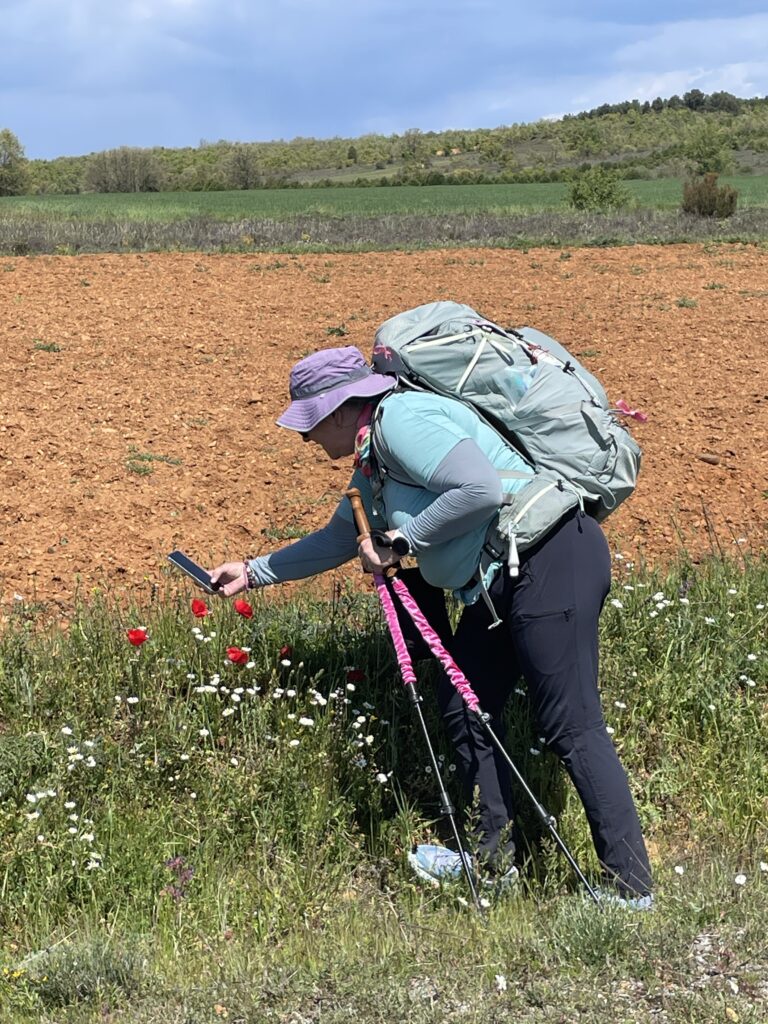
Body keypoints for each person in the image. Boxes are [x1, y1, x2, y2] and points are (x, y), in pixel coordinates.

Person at [209, 343, 653, 906]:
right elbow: (341, 539)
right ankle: (493, 861)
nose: (305, 437)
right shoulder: (375, 460)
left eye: (311, 422)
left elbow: (480, 489)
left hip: (550, 557)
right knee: (465, 701)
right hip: (504, 579)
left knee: (571, 725)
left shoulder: (403, 421)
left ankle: (631, 890)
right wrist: (252, 573)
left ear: (345, 408)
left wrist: (402, 541)